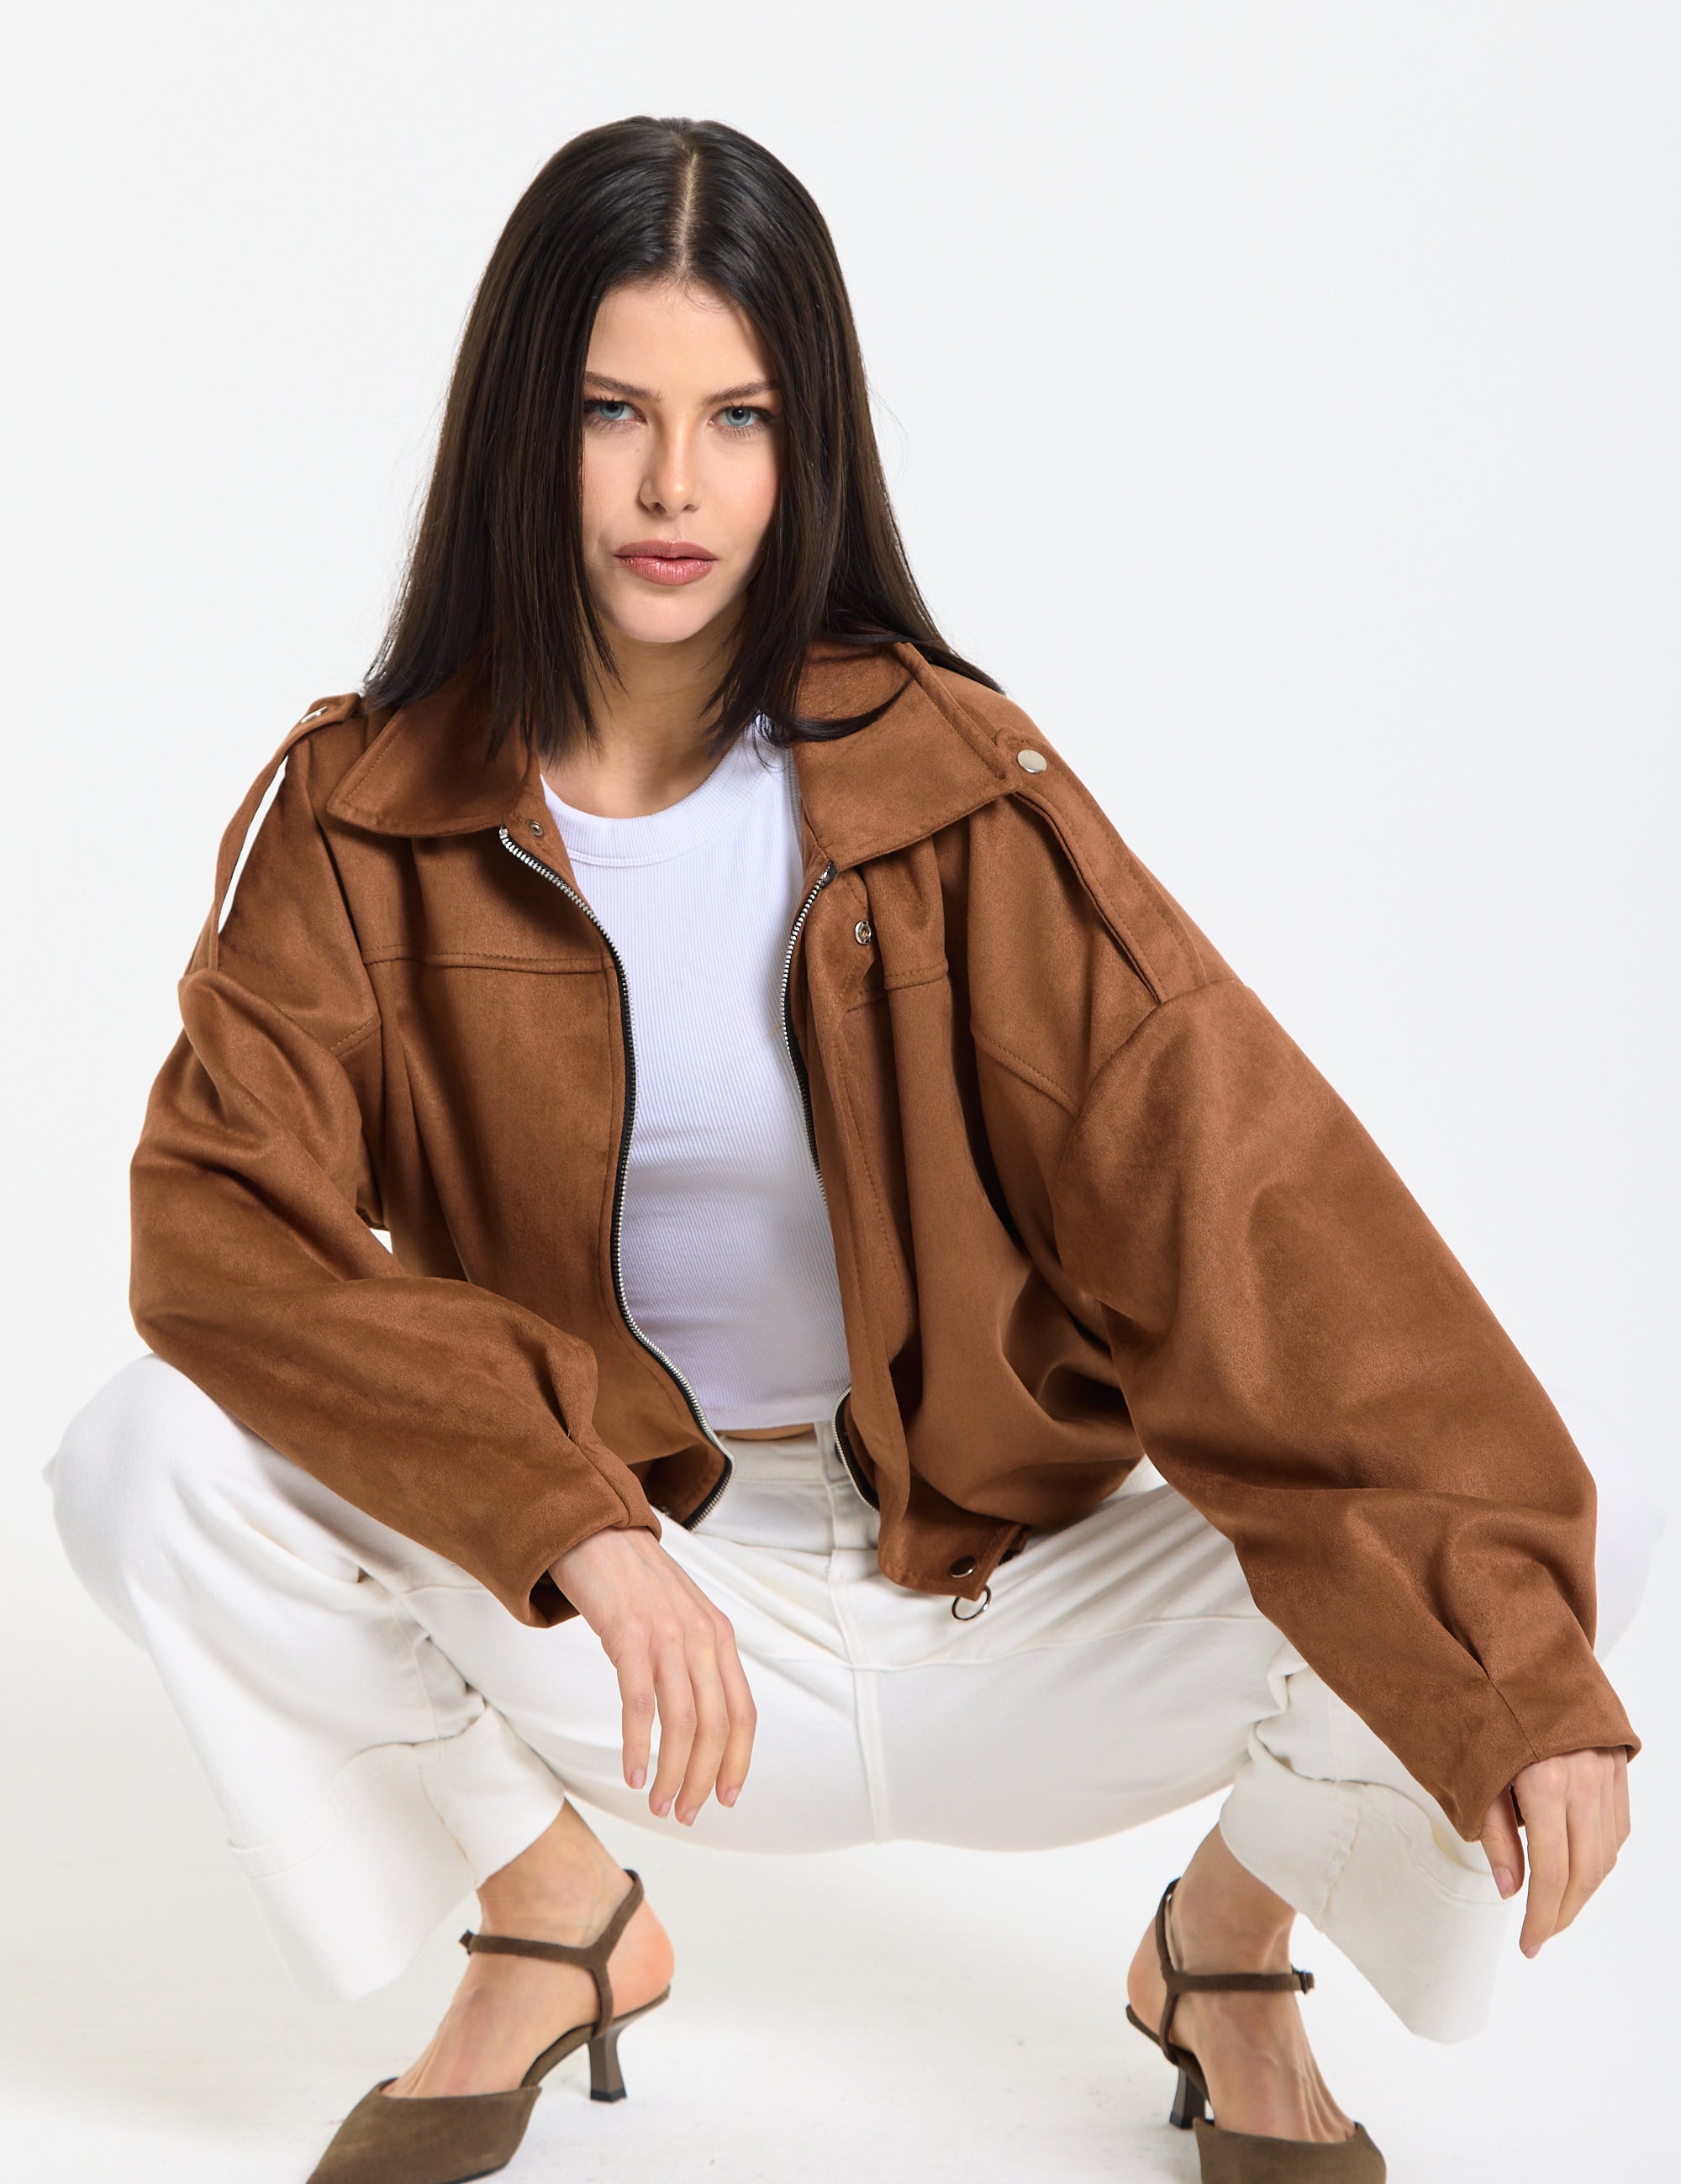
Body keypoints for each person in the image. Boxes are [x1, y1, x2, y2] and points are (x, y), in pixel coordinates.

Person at [43, 114, 1652, 2184]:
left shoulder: (949, 788)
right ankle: (549, 1914)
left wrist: (1514, 1672)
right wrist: (570, 1521)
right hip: (642, 1613)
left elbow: (1246, 1205)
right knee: (145, 1456)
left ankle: (1230, 1946)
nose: (671, 486)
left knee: (1542, 1553)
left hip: (1001, 1599)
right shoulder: (365, 817)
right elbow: (217, 1233)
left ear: (808, 445)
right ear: (522, 427)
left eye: (737, 417)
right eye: (612, 411)